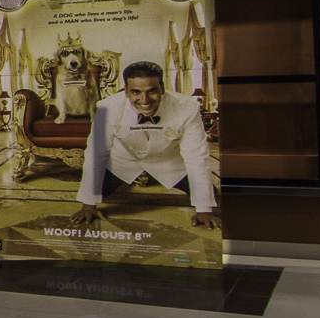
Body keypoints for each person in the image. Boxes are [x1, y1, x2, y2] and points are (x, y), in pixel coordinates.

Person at [70, 61, 221, 230]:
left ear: (162, 88)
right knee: (94, 194)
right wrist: (89, 205)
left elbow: (196, 157)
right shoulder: (107, 108)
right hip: (124, 162)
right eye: (136, 92)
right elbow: (96, 154)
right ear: (126, 92)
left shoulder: (187, 108)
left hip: (167, 162)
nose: (145, 100)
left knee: (209, 195)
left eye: (152, 91)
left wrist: (204, 210)